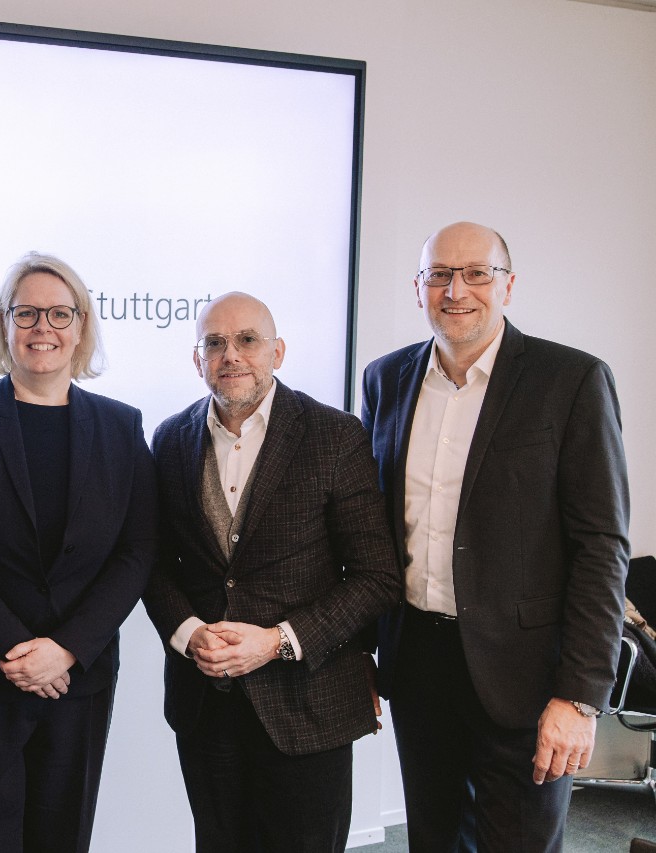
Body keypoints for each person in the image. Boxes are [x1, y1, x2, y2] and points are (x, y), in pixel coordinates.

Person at [361, 221, 630, 852]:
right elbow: (371, 529)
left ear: (509, 285)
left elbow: (601, 546)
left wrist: (579, 697)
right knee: (432, 837)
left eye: (477, 273)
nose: (457, 291)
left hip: (529, 675)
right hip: (419, 661)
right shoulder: (386, 380)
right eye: (439, 276)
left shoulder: (571, 381)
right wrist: (361, 652)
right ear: (418, 288)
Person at [0, 252, 156, 853]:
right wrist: (17, 647)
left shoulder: (121, 428)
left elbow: (137, 551)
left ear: (82, 326)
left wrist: (66, 650)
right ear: (3, 325)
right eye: (26, 313)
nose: (42, 327)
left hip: (78, 683)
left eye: (59, 313)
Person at [143, 291, 400, 852]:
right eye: (215, 343)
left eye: (247, 340)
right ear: (197, 359)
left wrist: (278, 642)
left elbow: (376, 575)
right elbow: (155, 563)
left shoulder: (335, 435)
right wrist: (190, 634)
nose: (230, 354)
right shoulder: (169, 439)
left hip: (309, 704)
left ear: (277, 352)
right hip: (206, 704)